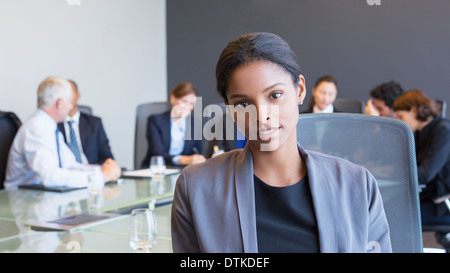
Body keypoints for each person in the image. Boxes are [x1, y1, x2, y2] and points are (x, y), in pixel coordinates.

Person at [171, 32, 392, 253]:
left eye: (275, 95)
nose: (261, 115)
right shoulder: (196, 188)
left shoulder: (357, 185)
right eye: (243, 103)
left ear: (300, 90)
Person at [4, 76, 121, 189]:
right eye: (70, 102)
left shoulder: (50, 127)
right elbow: (48, 176)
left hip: (42, 199)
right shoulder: (35, 128)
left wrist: (101, 170)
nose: (71, 107)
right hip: (22, 203)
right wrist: (98, 177)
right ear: (60, 103)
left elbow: (70, 165)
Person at [393, 89, 450, 225]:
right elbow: (406, 164)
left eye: (401, 117)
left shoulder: (443, 130)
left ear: (413, 110)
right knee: (387, 209)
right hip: (426, 197)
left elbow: (425, 174)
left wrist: (394, 175)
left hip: (441, 204)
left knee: (392, 216)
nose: (400, 121)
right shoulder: (419, 132)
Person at [141, 82, 206, 168]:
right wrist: (182, 159)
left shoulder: (195, 124)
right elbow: (157, 153)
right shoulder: (155, 121)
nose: (187, 107)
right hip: (157, 169)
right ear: (173, 98)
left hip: (184, 171)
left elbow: (199, 152)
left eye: (191, 104)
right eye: (184, 101)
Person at [57, 80, 115, 165]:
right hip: (66, 173)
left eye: (69, 93)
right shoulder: (54, 124)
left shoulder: (95, 123)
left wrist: (97, 169)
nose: (67, 98)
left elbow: (107, 157)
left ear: (78, 95)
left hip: (91, 172)